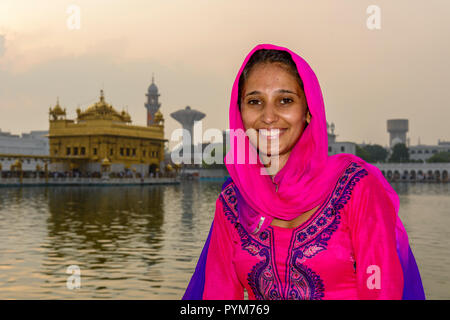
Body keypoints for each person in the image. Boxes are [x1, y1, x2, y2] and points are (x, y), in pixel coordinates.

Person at [183, 43, 425, 300]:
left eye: (285, 100)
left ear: (308, 112)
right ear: (239, 113)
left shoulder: (355, 187)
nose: (268, 116)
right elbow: (217, 293)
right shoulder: (234, 201)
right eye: (255, 102)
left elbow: (382, 290)